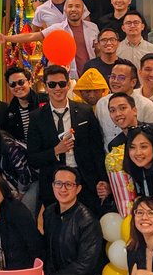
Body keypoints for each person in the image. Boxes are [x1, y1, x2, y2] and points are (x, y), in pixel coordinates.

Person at [26, 64, 107, 214]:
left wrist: (102, 179)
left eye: (62, 84)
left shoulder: (85, 111)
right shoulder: (37, 117)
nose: (58, 88)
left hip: (85, 181)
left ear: (68, 84)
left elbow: (96, 149)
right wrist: (56, 150)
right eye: (52, 84)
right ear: (46, 87)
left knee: (89, 226)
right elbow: (32, 158)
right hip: (53, 183)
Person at [42, 167, 108, 275]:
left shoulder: (87, 220)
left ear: (78, 188)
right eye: (58, 183)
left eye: (68, 184)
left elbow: (86, 264)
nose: (63, 189)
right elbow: (48, 253)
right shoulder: (50, 212)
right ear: (52, 186)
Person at [0, 0, 98, 78]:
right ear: (65, 10)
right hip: (70, 78)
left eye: (77, 6)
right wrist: (7, 38)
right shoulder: (57, 29)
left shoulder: (93, 28)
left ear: (83, 10)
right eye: (70, 6)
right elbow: (32, 36)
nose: (74, 9)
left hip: (93, 76)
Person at [0, 173, 45, 271]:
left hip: (26, 272)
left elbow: (36, 247)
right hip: (2, 274)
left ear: (2, 188)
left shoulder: (17, 210)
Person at [93, 59, 153, 146]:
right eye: (112, 77)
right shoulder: (101, 103)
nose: (115, 81)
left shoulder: (147, 106)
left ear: (133, 82)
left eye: (121, 78)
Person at [4, 67, 48, 144]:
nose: (17, 86)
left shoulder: (45, 101)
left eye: (21, 82)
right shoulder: (10, 110)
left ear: (29, 82)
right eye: (12, 84)